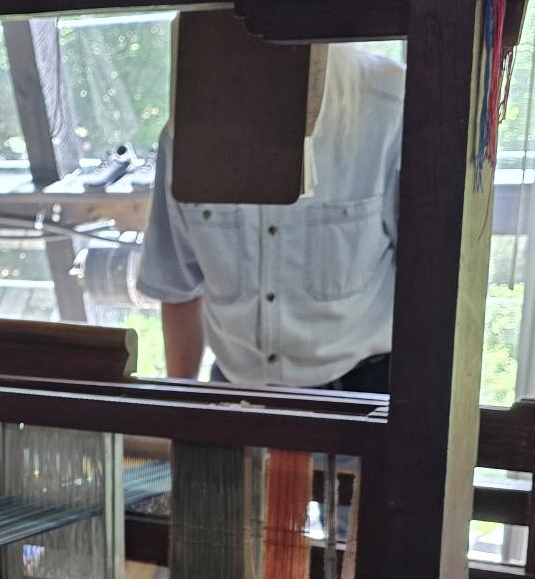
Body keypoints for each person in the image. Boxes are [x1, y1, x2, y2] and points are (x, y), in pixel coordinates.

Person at [136, 43, 405, 391]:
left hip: (360, 391)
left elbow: (430, 287)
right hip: (236, 390)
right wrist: (182, 415)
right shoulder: (187, 131)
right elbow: (177, 286)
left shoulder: (388, 107)